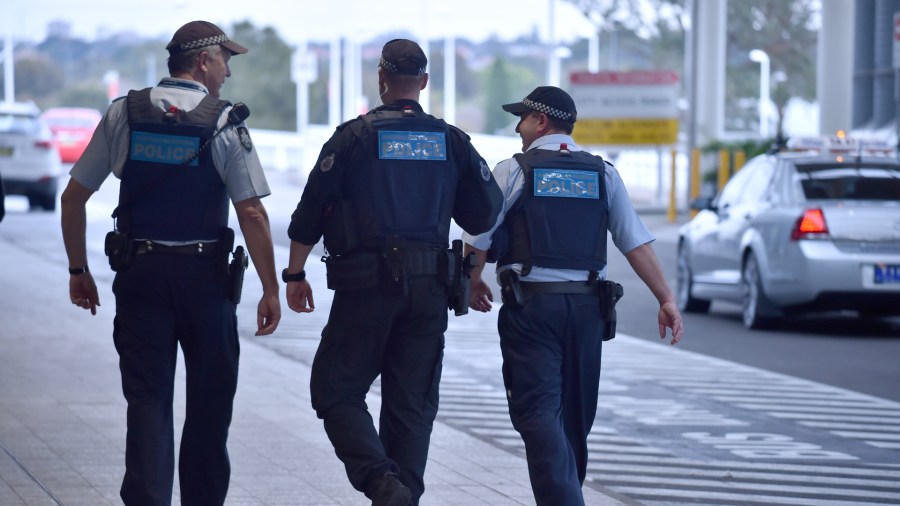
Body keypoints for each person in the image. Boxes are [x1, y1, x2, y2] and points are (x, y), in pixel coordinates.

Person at [60, 20, 281, 506]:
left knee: (147, 404)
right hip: (205, 282)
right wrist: (271, 286)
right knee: (209, 407)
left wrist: (78, 272)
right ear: (203, 61)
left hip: (140, 278)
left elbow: (73, 198)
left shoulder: (125, 114)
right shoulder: (221, 120)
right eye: (225, 59)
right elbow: (251, 211)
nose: (227, 71)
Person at [284, 39, 502, 506]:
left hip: (365, 288)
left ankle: (383, 484)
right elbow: (484, 215)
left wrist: (294, 273)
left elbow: (310, 212)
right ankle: (402, 496)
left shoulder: (353, 138)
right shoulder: (452, 141)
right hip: (430, 290)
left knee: (335, 389)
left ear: (381, 79)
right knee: (411, 408)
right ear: (423, 82)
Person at [463, 86, 684, 506]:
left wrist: (473, 281)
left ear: (542, 121)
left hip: (532, 309)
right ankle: (567, 496)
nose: (517, 127)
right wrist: (666, 298)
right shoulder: (603, 173)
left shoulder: (514, 170)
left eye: (523, 118)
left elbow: (478, 237)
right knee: (574, 419)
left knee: (539, 413)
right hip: (587, 311)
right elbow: (634, 242)